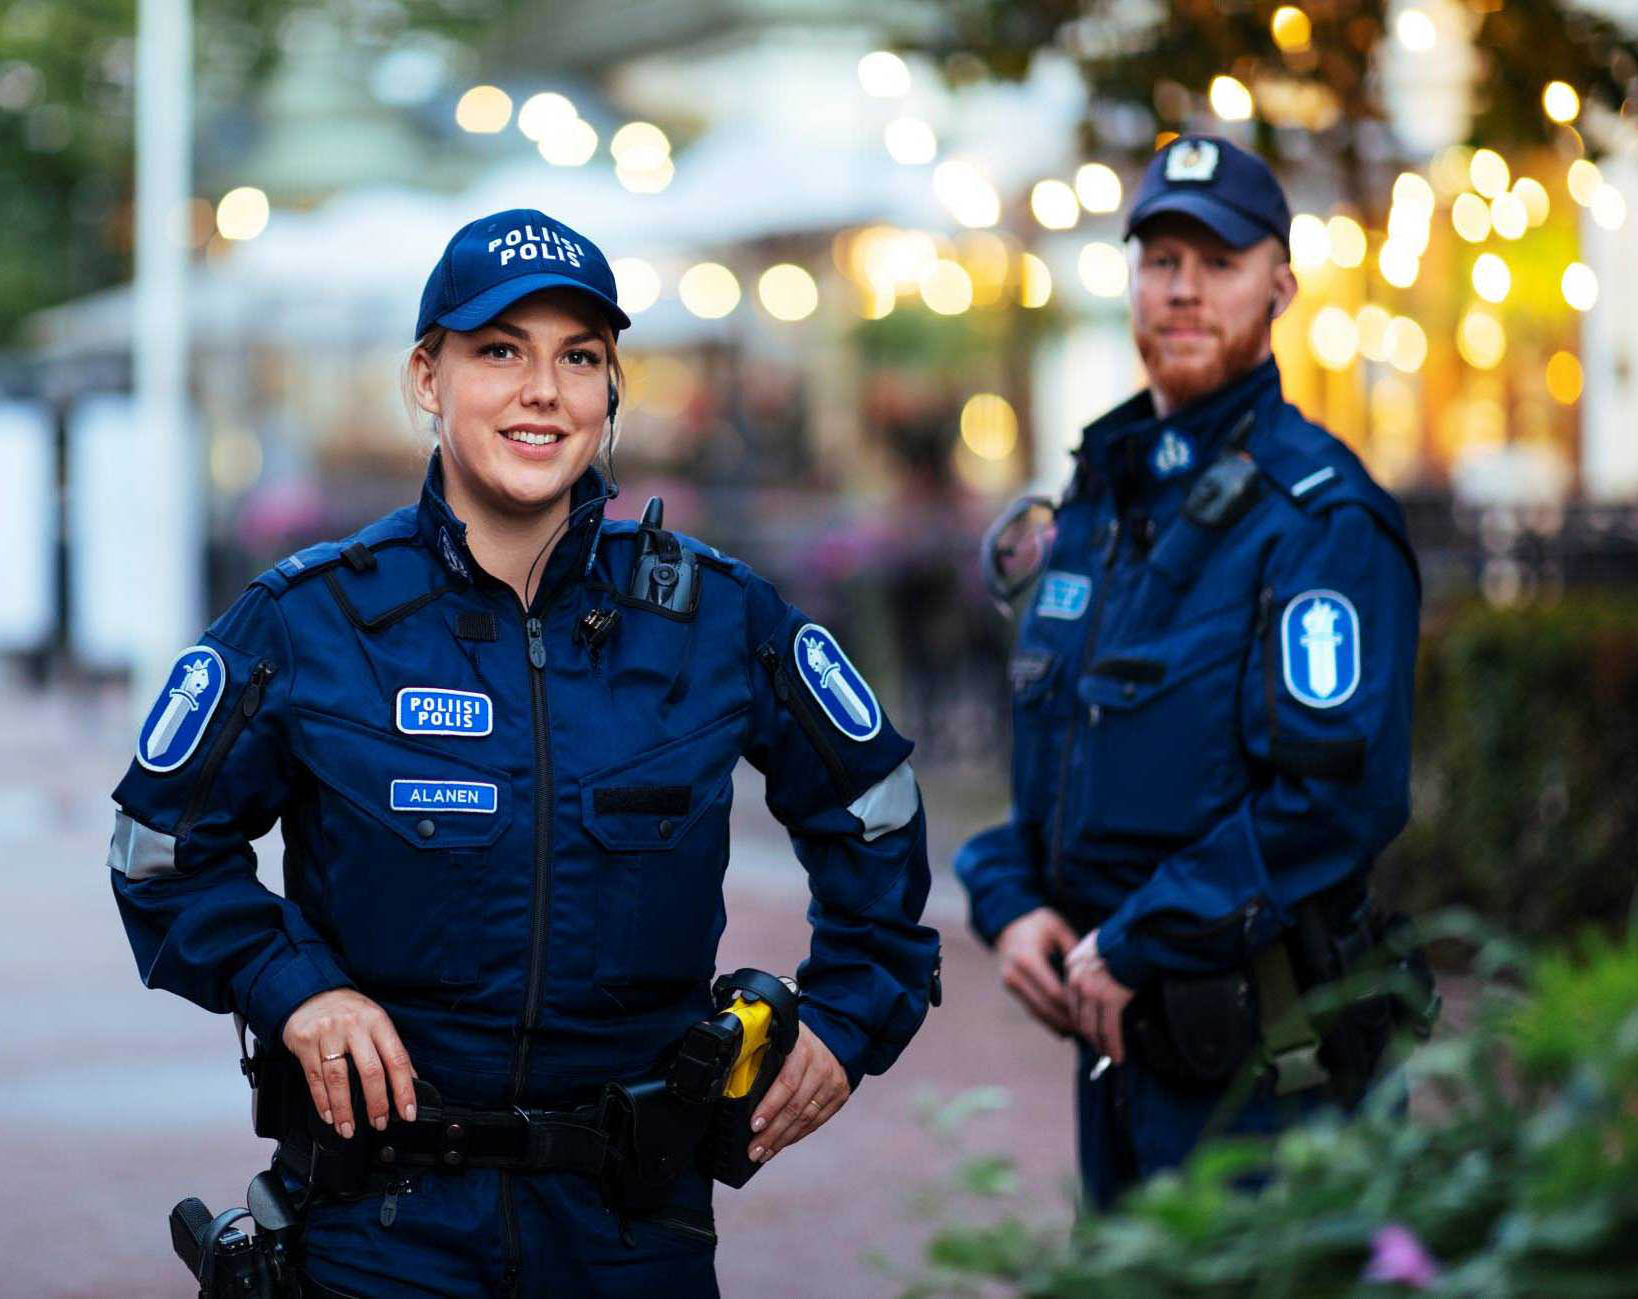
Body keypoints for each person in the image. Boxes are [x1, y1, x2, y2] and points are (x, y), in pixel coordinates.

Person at [108, 208, 941, 1297]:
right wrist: (290, 987)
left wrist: (846, 1014)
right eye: (499, 351)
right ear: (427, 377)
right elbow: (158, 846)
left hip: (632, 1236)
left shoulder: (715, 619)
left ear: (609, 392)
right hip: (380, 1229)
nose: (542, 390)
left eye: (578, 358)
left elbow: (871, 805)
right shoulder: (311, 622)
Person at [955, 136, 1421, 1211]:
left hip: (1270, 1072)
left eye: (1218, 263)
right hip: (1116, 1049)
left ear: (1280, 287)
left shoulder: (1319, 519)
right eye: (1160, 259)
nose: (1183, 290)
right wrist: (1009, 898)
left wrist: (1133, 938)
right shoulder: (1098, 506)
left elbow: (1334, 800)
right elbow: (1054, 757)